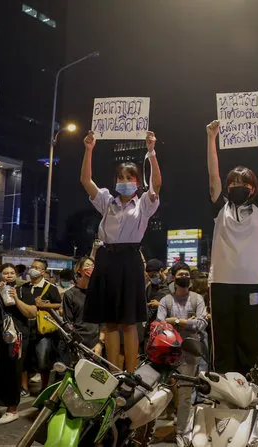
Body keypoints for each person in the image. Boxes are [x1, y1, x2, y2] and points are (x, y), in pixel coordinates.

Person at [80, 130, 161, 372]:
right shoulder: (107, 200)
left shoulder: (145, 203)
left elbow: (156, 182)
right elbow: (86, 180)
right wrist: (89, 149)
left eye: (129, 177)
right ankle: (114, 372)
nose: (124, 180)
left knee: (129, 322)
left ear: (137, 181)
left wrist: (151, 152)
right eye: (120, 176)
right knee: (111, 322)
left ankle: (131, 373)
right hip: (106, 259)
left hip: (130, 259)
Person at [206, 119, 258, 375]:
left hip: (253, 285)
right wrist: (211, 139)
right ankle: (222, 384)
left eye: (244, 183)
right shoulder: (219, 209)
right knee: (222, 335)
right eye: (233, 182)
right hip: (221, 283)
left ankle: (245, 382)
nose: (237, 186)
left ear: (253, 188)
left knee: (248, 333)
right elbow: (213, 175)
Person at [157, 262, 207, 447]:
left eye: (187, 274)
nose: (184, 277)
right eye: (180, 275)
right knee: (163, 392)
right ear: (173, 278)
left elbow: (202, 323)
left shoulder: (197, 299)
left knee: (186, 393)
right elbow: (160, 325)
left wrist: (177, 321)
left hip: (189, 352)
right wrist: (189, 322)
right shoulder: (166, 300)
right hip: (168, 352)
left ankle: (181, 432)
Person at [0, 265, 36, 425]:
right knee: (0, 371)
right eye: (5, 273)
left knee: (14, 372)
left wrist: (16, 299)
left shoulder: (22, 291)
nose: (9, 276)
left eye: (12, 273)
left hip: (17, 338)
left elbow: (32, 313)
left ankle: (13, 409)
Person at [20, 259, 61, 390]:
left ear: (43, 271)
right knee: (24, 359)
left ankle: (44, 388)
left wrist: (45, 305)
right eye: (32, 267)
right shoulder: (24, 287)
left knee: (43, 360)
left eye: (37, 267)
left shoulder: (50, 288)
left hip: (43, 330)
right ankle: (24, 388)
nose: (33, 269)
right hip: (26, 328)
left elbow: (59, 305)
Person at [61, 257, 104, 362]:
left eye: (93, 266)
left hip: (95, 343)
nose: (91, 268)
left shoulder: (99, 294)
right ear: (78, 270)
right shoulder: (69, 294)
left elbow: (103, 323)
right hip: (77, 344)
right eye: (87, 265)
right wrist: (75, 343)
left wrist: (100, 344)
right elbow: (68, 323)